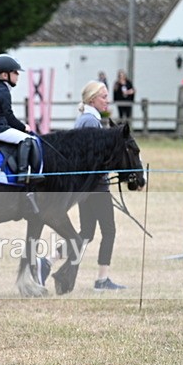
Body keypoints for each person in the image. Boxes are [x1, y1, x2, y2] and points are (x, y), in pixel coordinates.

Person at [74, 81, 126, 290]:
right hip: (95, 187)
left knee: (86, 232)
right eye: (103, 96)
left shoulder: (86, 119)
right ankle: (102, 280)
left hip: (87, 187)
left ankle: (48, 260)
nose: (107, 100)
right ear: (92, 99)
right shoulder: (91, 121)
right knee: (109, 231)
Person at [0, 54, 43, 183]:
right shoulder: (3, 91)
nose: (18, 75)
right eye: (15, 72)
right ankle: (23, 173)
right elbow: (9, 115)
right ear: (4, 75)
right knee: (27, 139)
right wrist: (23, 127)